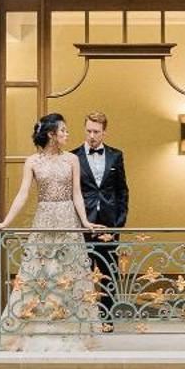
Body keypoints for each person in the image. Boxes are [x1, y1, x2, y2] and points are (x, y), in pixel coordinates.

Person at [0, 113, 101, 348]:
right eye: (63, 131)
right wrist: (5, 222)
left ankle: (71, 330)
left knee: (69, 273)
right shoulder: (32, 162)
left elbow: (77, 194)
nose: (67, 135)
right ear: (51, 134)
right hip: (44, 219)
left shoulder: (72, 160)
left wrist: (85, 222)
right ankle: (35, 328)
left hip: (67, 220)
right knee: (37, 274)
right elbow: (23, 194)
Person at [73, 112, 129, 328]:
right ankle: (84, 319)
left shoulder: (116, 156)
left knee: (108, 272)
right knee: (81, 270)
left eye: (96, 131)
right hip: (82, 223)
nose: (92, 136)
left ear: (104, 132)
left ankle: (107, 321)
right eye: (88, 131)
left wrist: (119, 222)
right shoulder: (73, 156)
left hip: (108, 223)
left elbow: (122, 190)